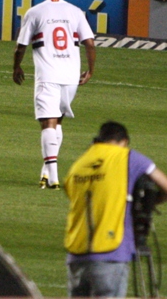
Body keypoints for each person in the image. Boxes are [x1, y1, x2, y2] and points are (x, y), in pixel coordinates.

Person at [64, 121, 167, 298]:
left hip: (77, 254)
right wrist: (152, 202)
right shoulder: (127, 157)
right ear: (124, 141)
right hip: (110, 252)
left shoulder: (79, 164)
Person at [13, 0, 96, 189]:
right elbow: (90, 43)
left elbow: (21, 45)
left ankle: (55, 177)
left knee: (47, 122)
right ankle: (45, 173)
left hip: (48, 75)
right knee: (57, 121)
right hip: (71, 75)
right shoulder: (76, 12)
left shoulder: (35, 12)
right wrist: (90, 70)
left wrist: (16, 67)